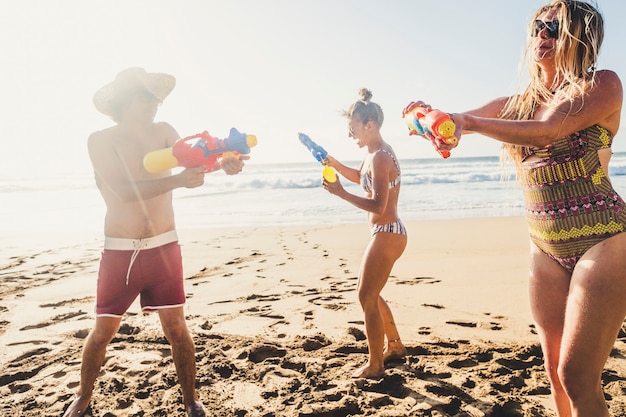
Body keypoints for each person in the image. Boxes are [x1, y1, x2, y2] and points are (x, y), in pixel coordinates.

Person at [407, 1, 625, 415]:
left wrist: (465, 124)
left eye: (554, 28)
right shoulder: (516, 102)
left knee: (579, 377)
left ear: (582, 39)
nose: (542, 34)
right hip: (543, 247)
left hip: (604, 241)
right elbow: (457, 124)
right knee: (555, 373)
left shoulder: (603, 85)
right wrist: (429, 121)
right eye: (538, 27)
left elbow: (546, 132)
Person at [63, 67, 247, 417]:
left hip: (164, 246)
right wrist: (179, 181)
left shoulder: (165, 132)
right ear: (123, 101)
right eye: (145, 95)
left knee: (177, 328)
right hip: (121, 251)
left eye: (155, 96)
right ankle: (83, 398)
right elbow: (121, 190)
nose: (154, 102)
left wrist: (225, 162)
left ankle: (191, 401)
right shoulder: (100, 140)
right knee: (103, 331)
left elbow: (197, 161)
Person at [323, 88, 408, 379]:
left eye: (353, 128)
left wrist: (340, 193)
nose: (351, 134)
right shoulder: (373, 154)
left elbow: (377, 204)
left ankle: (375, 366)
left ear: (369, 125)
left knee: (366, 296)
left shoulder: (381, 157)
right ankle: (394, 346)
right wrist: (335, 165)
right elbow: (361, 178)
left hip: (388, 231)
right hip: (385, 232)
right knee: (370, 293)